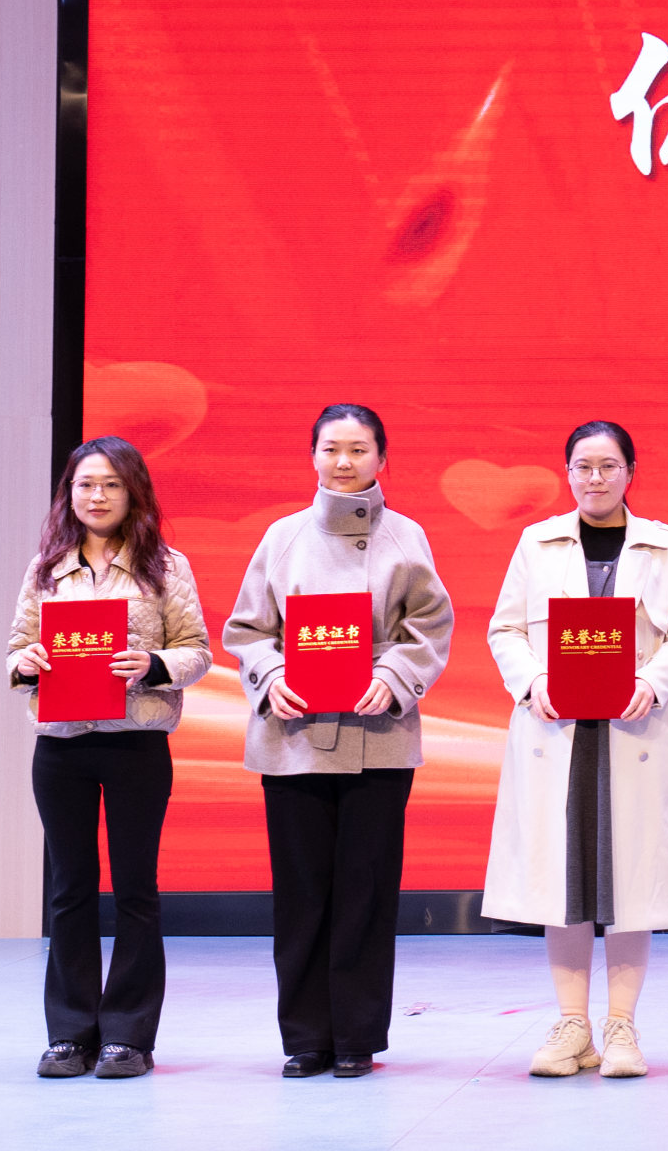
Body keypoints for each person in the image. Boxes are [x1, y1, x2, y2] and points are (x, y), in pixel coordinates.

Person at [224, 404, 453, 1079]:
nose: (344, 461)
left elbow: (431, 626)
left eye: (358, 449)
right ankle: (305, 1037)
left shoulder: (406, 536)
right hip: (293, 736)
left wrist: (393, 676)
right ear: (313, 456)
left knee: (366, 891)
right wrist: (270, 677)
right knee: (300, 894)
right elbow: (247, 630)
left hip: (377, 735)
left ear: (382, 458)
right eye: (331, 448)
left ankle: (355, 1037)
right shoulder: (282, 536)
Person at [482, 420, 668, 1080]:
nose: (596, 478)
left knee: (629, 878)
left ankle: (622, 1027)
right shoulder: (537, 542)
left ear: (630, 472)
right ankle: (572, 1025)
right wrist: (532, 681)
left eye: (609, 466)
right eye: (583, 466)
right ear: (568, 473)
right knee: (565, 877)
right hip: (558, 732)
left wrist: (653, 683)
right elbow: (505, 629)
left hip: (632, 732)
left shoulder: (665, 545)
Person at [7, 437, 211, 1080]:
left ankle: (128, 1035)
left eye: (111, 485)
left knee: (135, 889)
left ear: (134, 491)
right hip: (61, 746)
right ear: (69, 494)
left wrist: (153, 664)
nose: (97, 496)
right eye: (85, 485)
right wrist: (25, 662)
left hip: (135, 743)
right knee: (69, 890)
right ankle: (69, 1034)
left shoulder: (165, 566)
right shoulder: (47, 567)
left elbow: (197, 650)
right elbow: (17, 647)